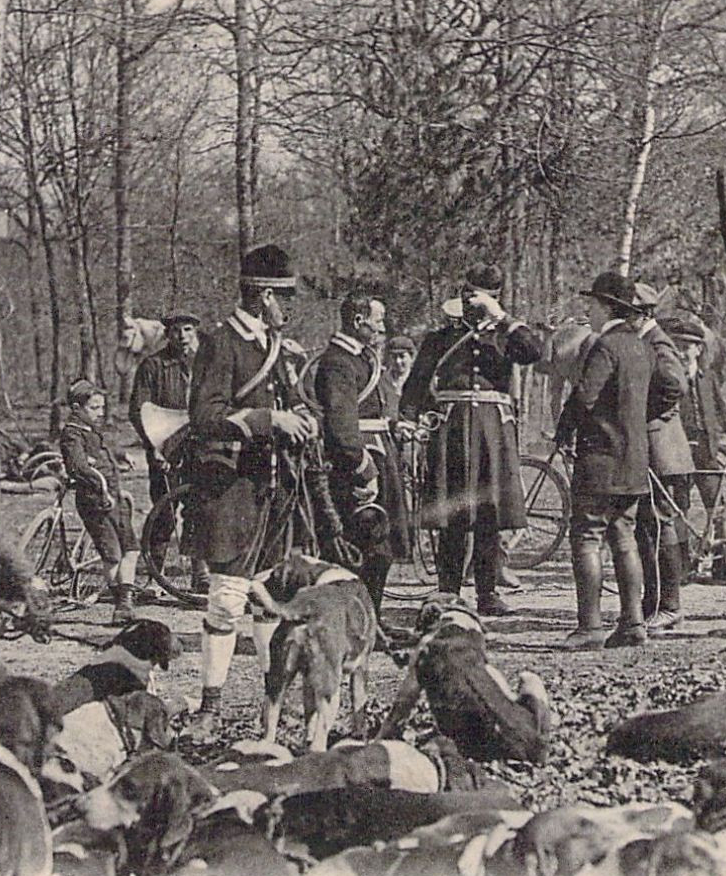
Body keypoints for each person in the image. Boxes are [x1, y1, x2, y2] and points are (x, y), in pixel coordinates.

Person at [183, 244, 316, 740]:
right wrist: (267, 420)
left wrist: (302, 419)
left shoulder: (276, 347)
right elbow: (203, 419)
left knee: (269, 598)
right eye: (285, 299)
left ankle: (271, 701)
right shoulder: (222, 343)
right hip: (230, 484)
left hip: (273, 486)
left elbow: (296, 402)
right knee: (227, 599)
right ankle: (209, 707)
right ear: (263, 297)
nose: (291, 308)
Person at [399, 265, 542, 616]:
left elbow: (533, 352)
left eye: (480, 297)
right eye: (468, 296)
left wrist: (502, 318)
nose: (472, 304)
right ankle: (448, 591)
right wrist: (407, 420)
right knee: (453, 515)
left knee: (489, 514)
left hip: (492, 432)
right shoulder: (441, 338)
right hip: (452, 432)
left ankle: (487, 593)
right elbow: (416, 385)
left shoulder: (506, 337)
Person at [555, 272, 654, 648]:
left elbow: (584, 396)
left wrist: (564, 432)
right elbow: (660, 393)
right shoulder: (642, 346)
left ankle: (590, 627)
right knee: (624, 536)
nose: (588, 311)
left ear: (608, 307)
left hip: (600, 459)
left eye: (592, 305)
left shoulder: (605, 346)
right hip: (634, 460)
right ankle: (633, 622)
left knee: (586, 537)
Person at [313, 293, 410, 614]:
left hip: (379, 452)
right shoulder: (338, 361)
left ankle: (369, 620)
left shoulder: (361, 357)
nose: (381, 328)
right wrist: (362, 466)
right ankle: (354, 622)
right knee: (361, 548)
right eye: (377, 321)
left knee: (379, 548)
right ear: (358, 322)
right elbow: (342, 425)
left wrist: (395, 426)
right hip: (356, 464)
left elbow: (376, 405)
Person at [129, 311, 205, 593]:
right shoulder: (153, 366)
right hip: (166, 450)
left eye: (187, 330)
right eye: (176, 331)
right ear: (167, 334)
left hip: (199, 449)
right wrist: (155, 447)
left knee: (199, 510)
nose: (182, 336)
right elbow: (139, 411)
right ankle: (155, 577)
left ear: (195, 332)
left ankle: (201, 575)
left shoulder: (207, 364)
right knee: (163, 514)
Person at [631, 284, 689, 633]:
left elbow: (675, 385)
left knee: (660, 524)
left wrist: (645, 414)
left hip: (661, 446)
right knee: (647, 528)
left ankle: (670, 606)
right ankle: (653, 602)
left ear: (643, 314)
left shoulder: (657, 342)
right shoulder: (644, 341)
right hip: (651, 445)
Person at [662, 315, 726, 581]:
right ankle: (681, 565)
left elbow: (722, 411)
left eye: (688, 346)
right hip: (676, 448)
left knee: (716, 505)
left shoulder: (708, 378)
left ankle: (721, 562)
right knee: (678, 505)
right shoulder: (666, 376)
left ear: (699, 349)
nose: (683, 352)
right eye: (678, 345)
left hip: (706, 447)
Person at [60, 380, 142, 624]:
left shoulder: (92, 429)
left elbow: (103, 449)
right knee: (113, 555)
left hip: (113, 496)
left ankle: (126, 600)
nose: (100, 412)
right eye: (94, 408)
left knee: (132, 549)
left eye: (101, 407)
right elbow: (78, 467)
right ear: (77, 408)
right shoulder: (72, 434)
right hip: (95, 500)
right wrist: (100, 484)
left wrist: (122, 455)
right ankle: (121, 605)